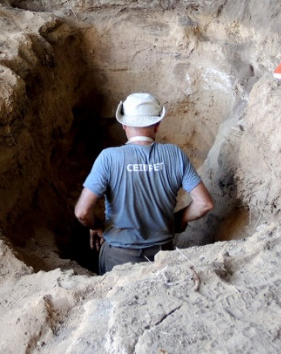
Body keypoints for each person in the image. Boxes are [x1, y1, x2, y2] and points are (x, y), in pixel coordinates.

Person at [74, 93, 214, 274]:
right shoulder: (175, 155)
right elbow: (204, 204)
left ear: (124, 124)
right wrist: (177, 220)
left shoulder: (108, 158)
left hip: (118, 258)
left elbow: (82, 212)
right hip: (162, 256)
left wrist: (96, 226)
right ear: (157, 125)